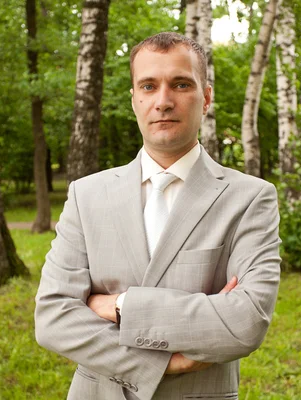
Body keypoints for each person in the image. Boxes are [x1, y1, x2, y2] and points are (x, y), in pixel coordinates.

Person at [35, 32, 281, 400]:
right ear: (134, 99)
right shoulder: (86, 194)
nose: (163, 101)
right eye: (148, 86)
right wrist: (160, 364)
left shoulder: (249, 199)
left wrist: (119, 306)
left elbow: (246, 322)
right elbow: (53, 318)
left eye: (180, 84)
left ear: (207, 96)